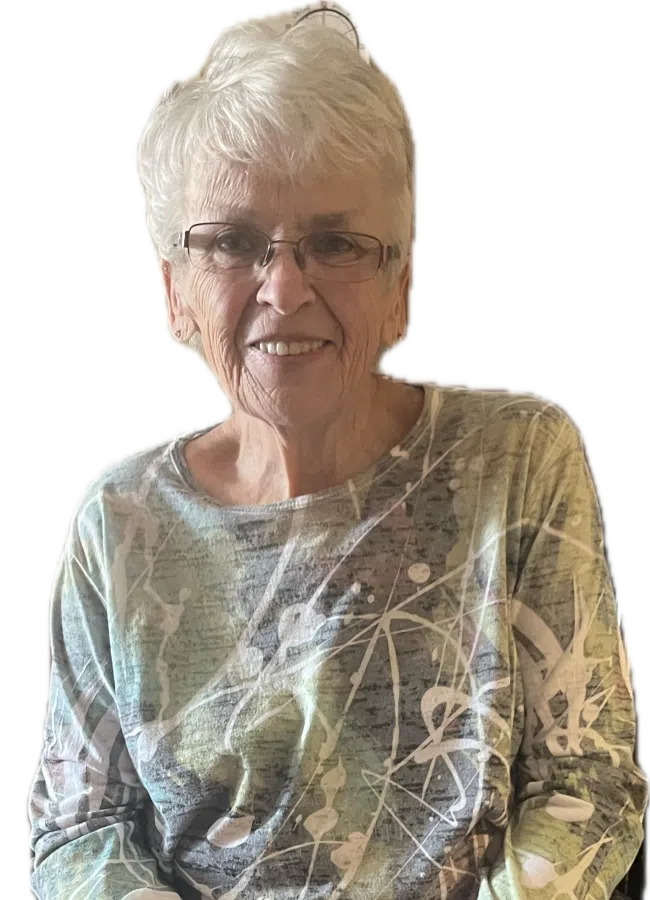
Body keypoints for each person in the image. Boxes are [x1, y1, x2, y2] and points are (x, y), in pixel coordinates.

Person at [27, 7, 648, 899]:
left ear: (400, 286)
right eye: (232, 243)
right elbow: (78, 828)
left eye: (336, 244)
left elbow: (589, 784)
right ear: (175, 291)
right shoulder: (120, 527)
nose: (284, 288)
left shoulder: (517, 462)